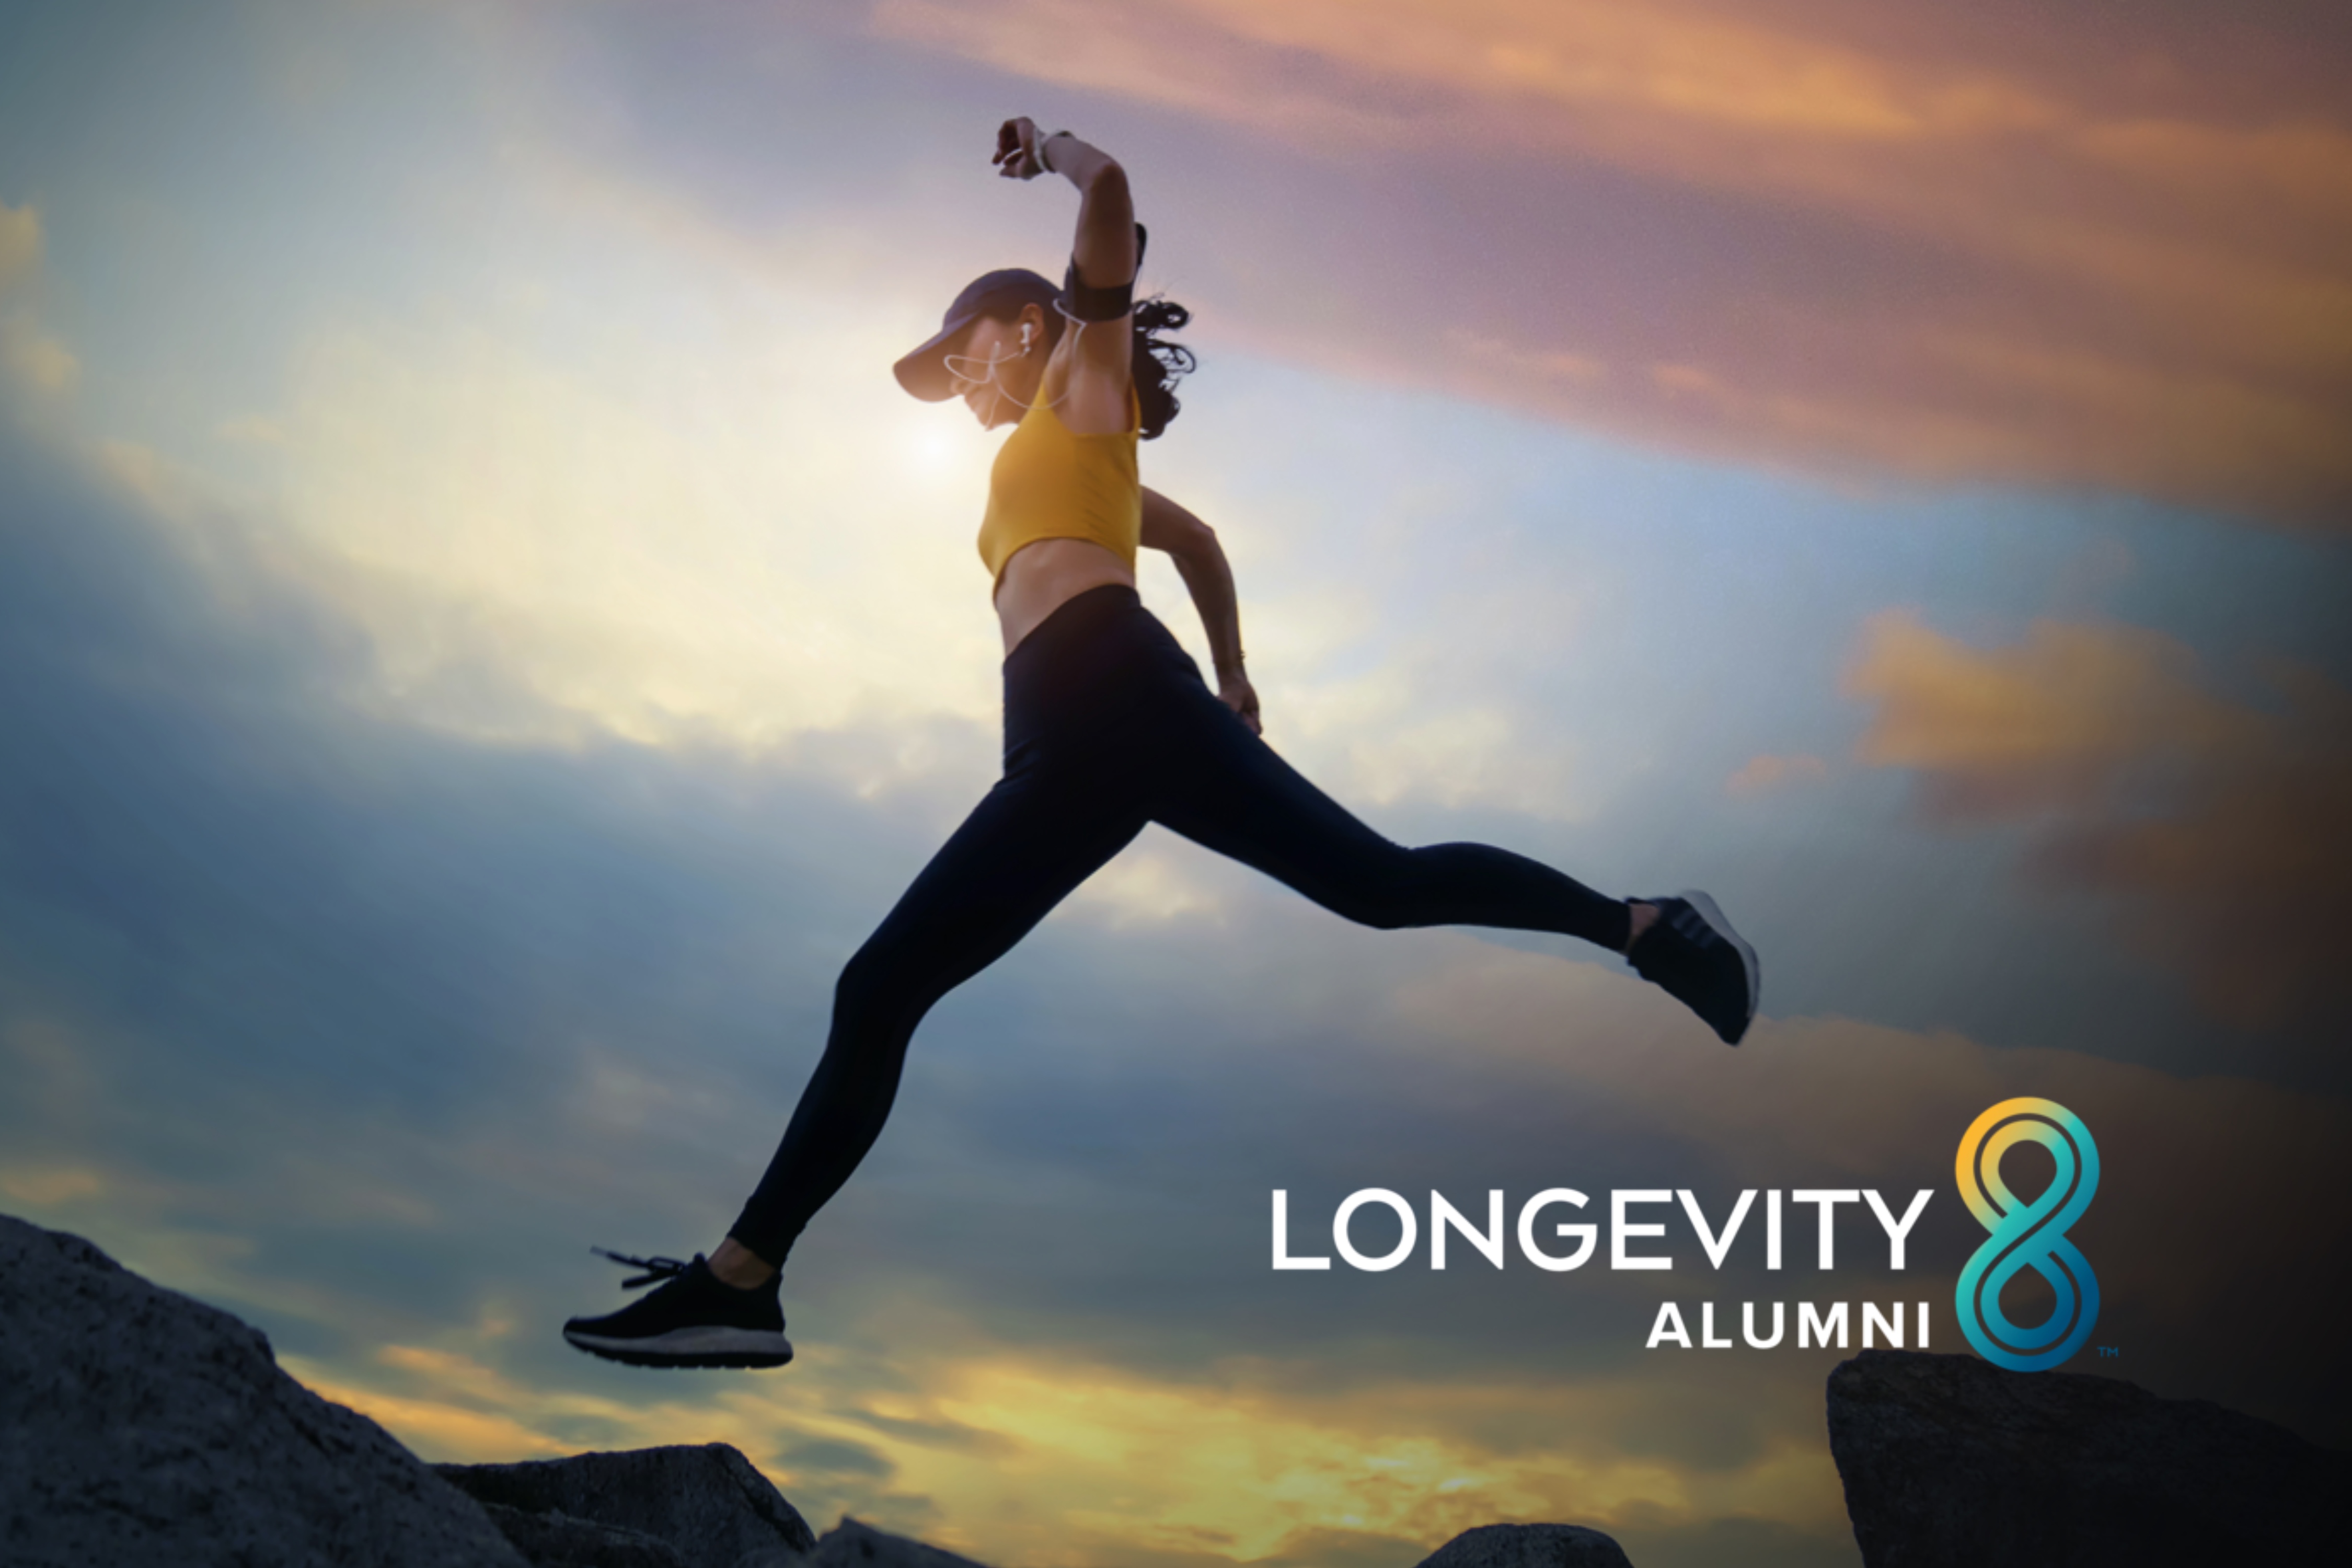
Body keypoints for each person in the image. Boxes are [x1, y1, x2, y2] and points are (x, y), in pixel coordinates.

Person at [562, 118, 1759, 1370]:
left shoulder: (1082, 384)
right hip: (1072, 737)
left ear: (1030, 327)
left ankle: (743, 1280)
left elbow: (1116, 194)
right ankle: (744, 1287)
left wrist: (1054, 149)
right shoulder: (1069, 454)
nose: (961, 384)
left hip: (1109, 692)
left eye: (966, 353)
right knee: (1352, 892)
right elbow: (1195, 543)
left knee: (906, 982)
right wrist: (1235, 674)